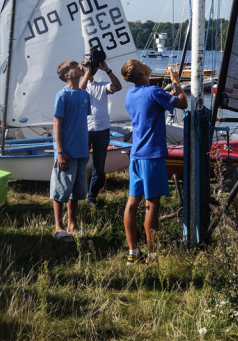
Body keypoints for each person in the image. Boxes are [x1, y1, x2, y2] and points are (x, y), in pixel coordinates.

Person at [121, 58, 186, 264]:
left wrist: (169, 95)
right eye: (141, 64)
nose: (145, 64)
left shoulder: (131, 94)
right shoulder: (154, 93)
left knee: (132, 204)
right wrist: (176, 83)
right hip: (152, 155)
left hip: (136, 155)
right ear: (141, 72)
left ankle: (133, 252)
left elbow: (154, 104)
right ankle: (152, 255)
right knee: (152, 205)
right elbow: (183, 103)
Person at [50, 59, 92, 241]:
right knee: (61, 190)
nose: (79, 68)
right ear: (67, 75)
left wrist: (87, 146)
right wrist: (60, 151)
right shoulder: (62, 95)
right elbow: (57, 124)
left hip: (81, 151)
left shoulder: (84, 95)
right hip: (66, 152)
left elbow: (83, 122)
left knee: (76, 191)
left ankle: (72, 224)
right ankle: (58, 227)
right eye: (75, 67)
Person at [78, 56, 122, 206]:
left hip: (102, 130)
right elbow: (80, 91)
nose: (90, 67)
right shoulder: (77, 86)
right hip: (85, 129)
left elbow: (117, 87)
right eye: (86, 64)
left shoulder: (102, 85)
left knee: (99, 165)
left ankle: (92, 198)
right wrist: (86, 71)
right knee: (80, 162)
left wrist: (107, 70)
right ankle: (77, 194)